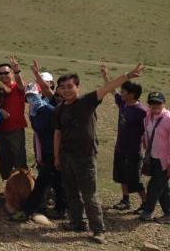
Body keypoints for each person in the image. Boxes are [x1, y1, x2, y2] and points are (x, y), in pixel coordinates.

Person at [53, 63, 144, 244]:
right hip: (66, 156)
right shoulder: (59, 109)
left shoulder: (87, 101)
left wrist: (126, 76)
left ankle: (98, 230)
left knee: (90, 194)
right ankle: (77, 222)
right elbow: (58, 133)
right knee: (71, 192)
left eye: (70, 86)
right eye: (62, 87)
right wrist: (56, 157)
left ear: (77, 87)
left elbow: (107, 88)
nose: (66, 90)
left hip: (85, 157)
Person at [10, 82, 66, 222]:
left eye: (34, 95)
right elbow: (38, 135)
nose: (31, 99)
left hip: (55, 152)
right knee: (57, 181)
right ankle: (62, 209)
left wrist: (57, 155)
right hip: (46, 152)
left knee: (43, 183)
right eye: (28, 96)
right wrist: (39, 154)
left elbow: (59, 133)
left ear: (40, 94)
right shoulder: (33, 111)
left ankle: (27, 211)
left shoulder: (49, 110)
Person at [101, 65, 147, 212]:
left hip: (133, 151)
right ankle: (126, 200)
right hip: (120, 148)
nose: (121, 93)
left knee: (135, 180)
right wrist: (105, 76)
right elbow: (111, 89)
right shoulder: (123, 103)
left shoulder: (142, 112)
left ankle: (145, 204)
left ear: (132, 94)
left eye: (124, 91)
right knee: (121, 176)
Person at [139, 91, 170, 224]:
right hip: (152, 157)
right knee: (162, 188)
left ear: (164, 103)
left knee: (153, 186)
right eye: (152, 103)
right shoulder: (147, 115)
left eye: (158, 103)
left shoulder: (168, 119)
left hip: (165, 161)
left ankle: (147, 212)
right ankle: (168, 213)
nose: (155, 105)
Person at [0, 57, 27, 181]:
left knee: (19, 159)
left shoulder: (17, 88)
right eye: (0, 73)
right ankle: (9, 190)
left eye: (6, 72)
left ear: (11, 74)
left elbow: (20, 84)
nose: (3, 75)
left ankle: (23, 189)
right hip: (1, 130)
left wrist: (17, 71)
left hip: (16, 129)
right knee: (4, 160)